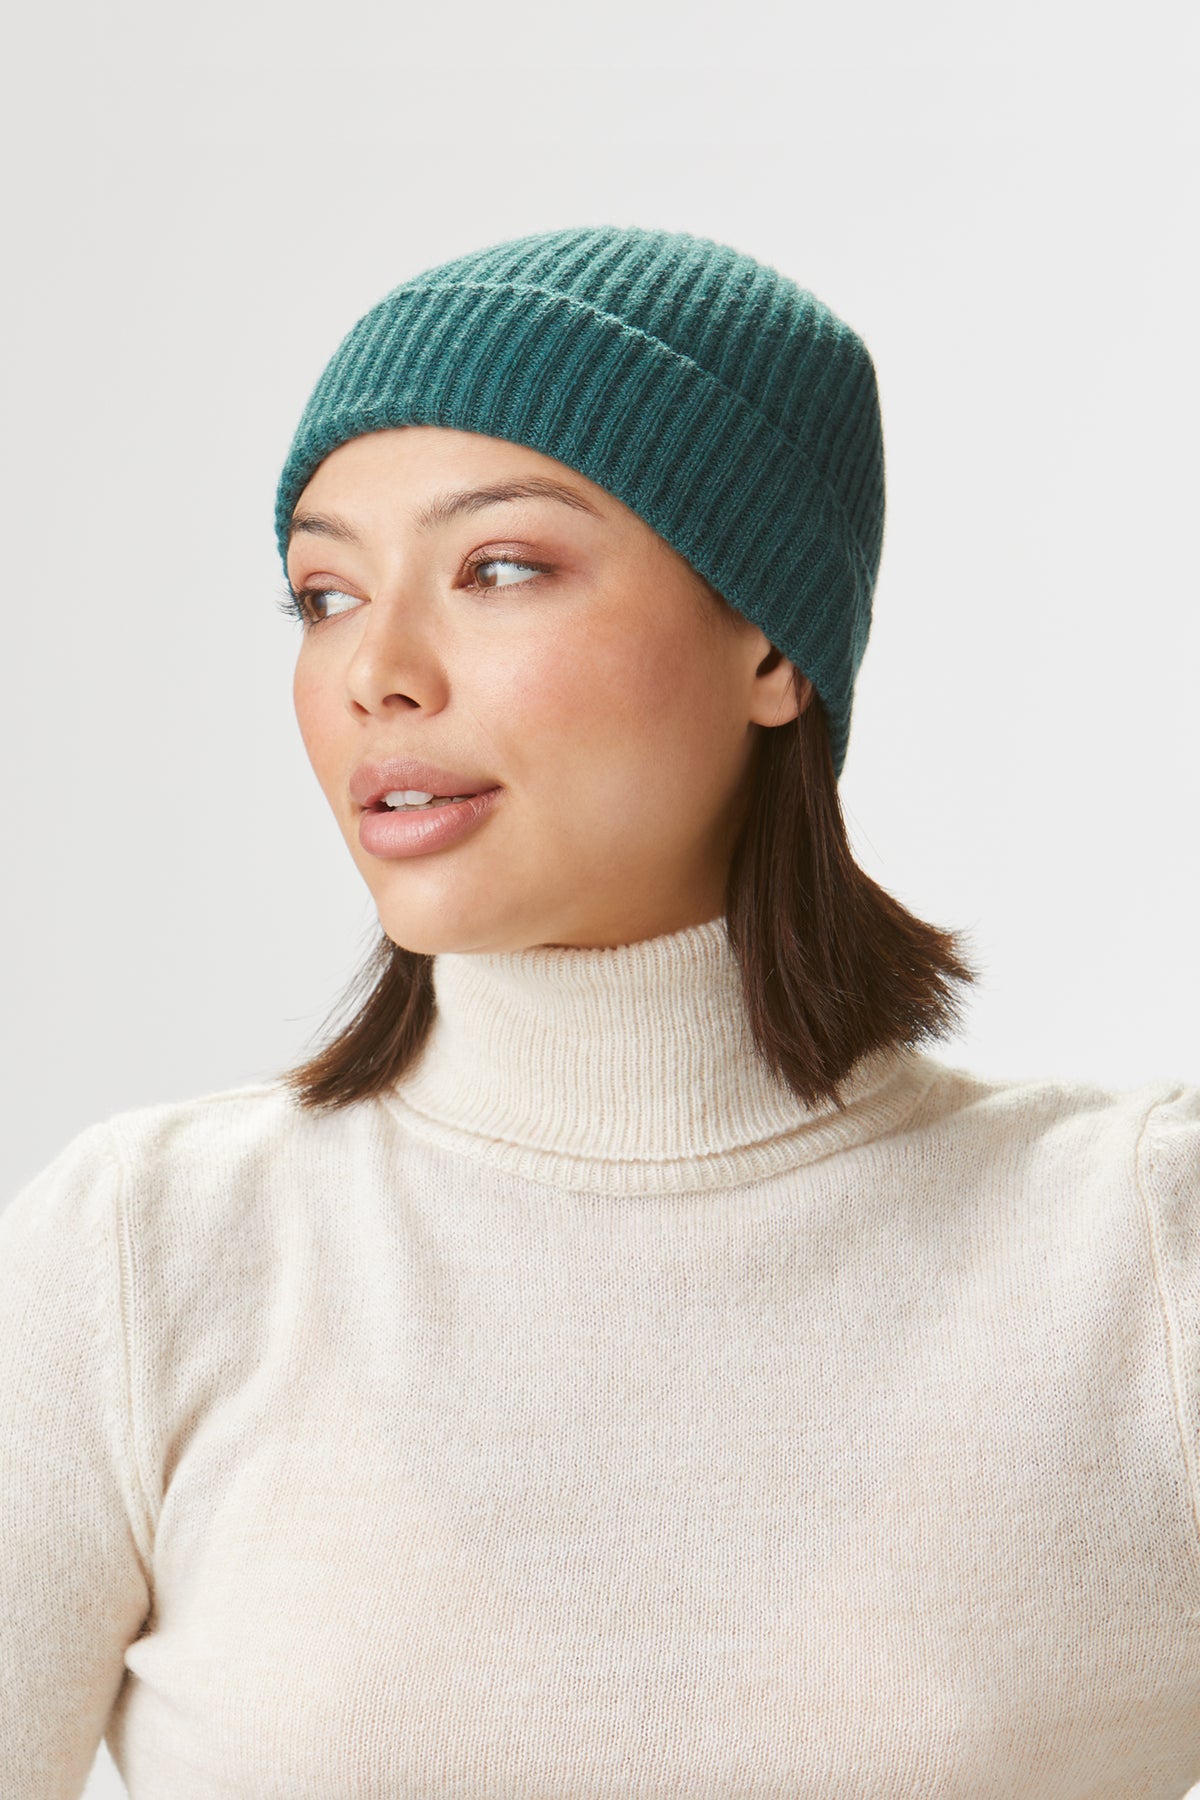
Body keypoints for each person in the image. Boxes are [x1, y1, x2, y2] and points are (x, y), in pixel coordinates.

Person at [1, 224, 1197, 1800]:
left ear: (772, 642)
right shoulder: (144, 1256)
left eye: (500, 568)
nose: (377, 671)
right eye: (324, 593)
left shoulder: (1138, 1254)